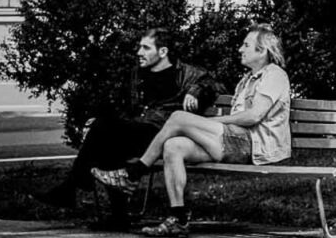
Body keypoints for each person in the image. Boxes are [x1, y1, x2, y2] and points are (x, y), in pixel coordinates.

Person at [94, 25, 292, 237]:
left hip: (252, 144)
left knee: (178, 118)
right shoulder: (246, 80)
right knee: (173, 146)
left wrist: (217, 121)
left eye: (246, 45)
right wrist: (218, 125)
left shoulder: (274, 75)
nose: (240, 49)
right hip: (233, 141)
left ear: (262, 51)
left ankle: (133, 174)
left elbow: (254, 116)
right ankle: (177, 219)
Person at [37, 27, 217, 227]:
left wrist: (195, 91)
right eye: (140, 47)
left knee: (105, 130)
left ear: (163, 52)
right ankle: (115, 215)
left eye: (146, 48)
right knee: (107, 138)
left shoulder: (185, 73)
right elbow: (127, 108)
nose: (139, 52)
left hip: (162, 133)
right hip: (139, 131)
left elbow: (211, 83)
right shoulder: (137, 75)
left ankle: (73, 188)